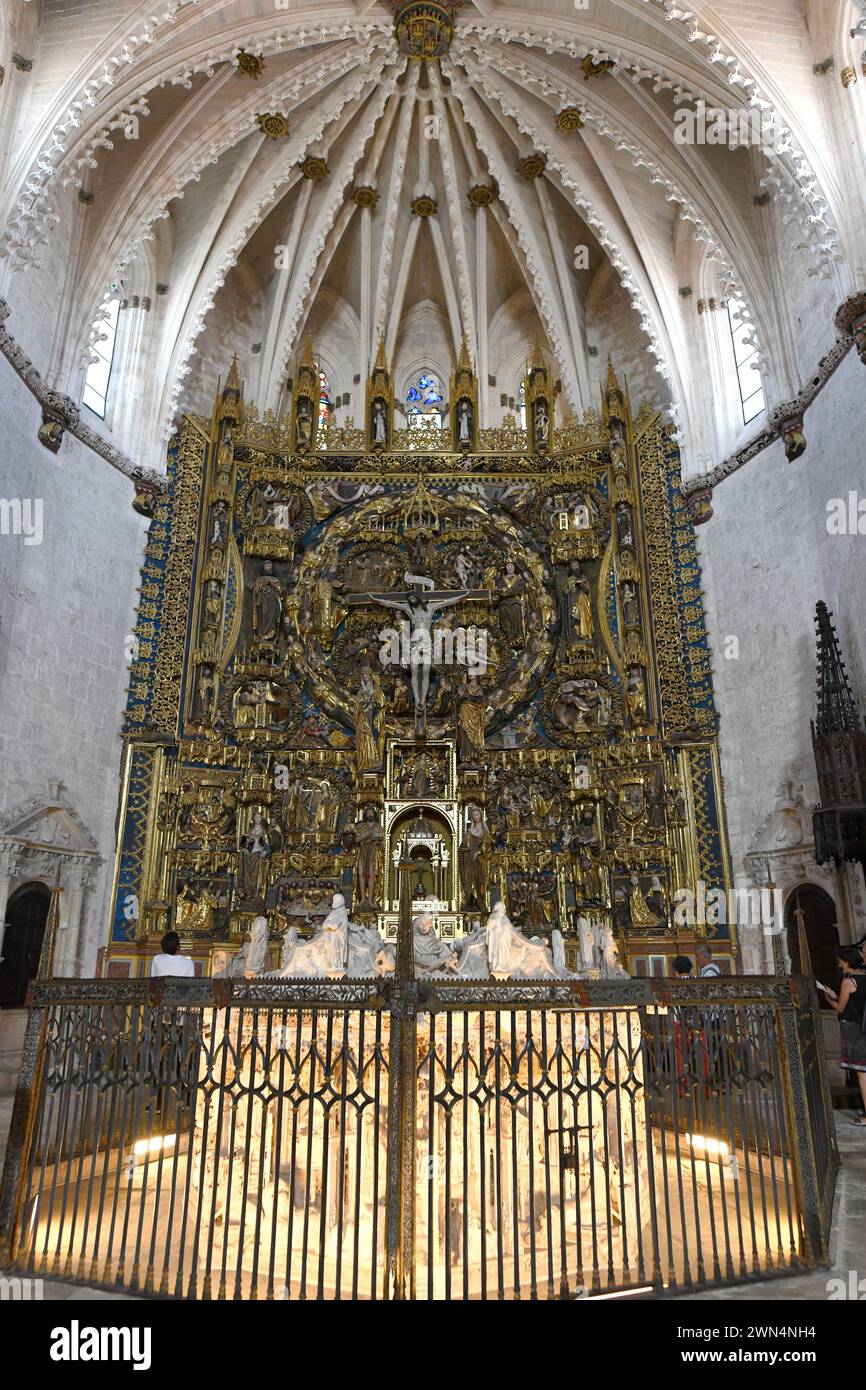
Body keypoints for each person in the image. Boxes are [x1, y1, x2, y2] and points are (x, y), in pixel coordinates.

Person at [824, 946, 866, 1124]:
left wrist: (828, 997)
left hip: (854, 1030)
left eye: (841, 962)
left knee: (862, 1073)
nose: (840, 966)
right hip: (864, 1025)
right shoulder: (864, 976)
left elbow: (840, 1008)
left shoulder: (848, 982)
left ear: (846, 961)